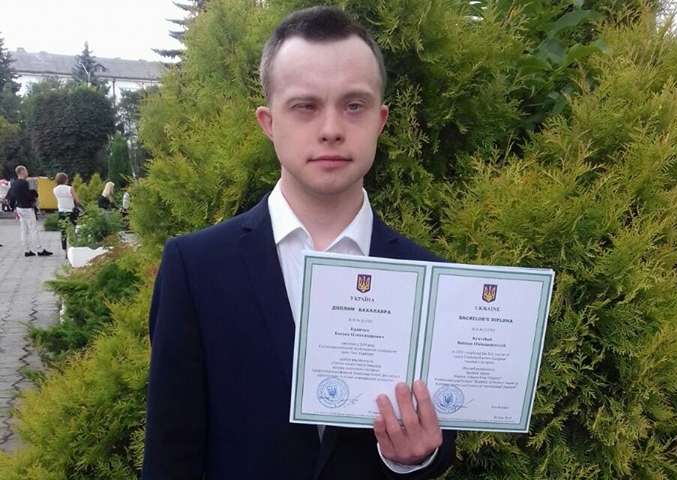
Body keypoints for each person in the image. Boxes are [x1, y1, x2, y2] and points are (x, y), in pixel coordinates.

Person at [143, 7, 456, 480]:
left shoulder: (427, 276)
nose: (331, 128)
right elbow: (170, 453)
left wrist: (413, 459)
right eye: (305, 106)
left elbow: (440, 435)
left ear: (381, 120)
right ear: (269, 122)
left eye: (354, 105)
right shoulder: (196, 267)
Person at [6, 165, 52, 257]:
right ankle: (39, 250)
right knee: (33, 229)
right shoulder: (25, 183)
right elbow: (29, 196)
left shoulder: (14, 183)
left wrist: (12, 207)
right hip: (27, 208)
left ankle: (27, 250)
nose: (27, 172)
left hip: (19, 208)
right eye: (26, 170)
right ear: (22, 172)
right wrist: (34, 197)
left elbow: (10, 196)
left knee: (24, 230)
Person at [52, 172, 81, 251]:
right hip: (71, 211)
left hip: (61, 211)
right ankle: (74, 246)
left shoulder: (55, 189)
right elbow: (77, 200)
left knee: (63, 231)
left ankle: (64, 249)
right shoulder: (70, 188)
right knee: (74, 228)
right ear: (65, 180)